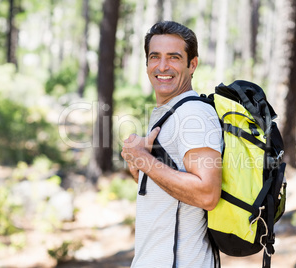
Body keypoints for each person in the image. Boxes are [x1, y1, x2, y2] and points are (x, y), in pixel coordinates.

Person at [121, 21, 223, 268]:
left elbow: (207, 193)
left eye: (174, 57)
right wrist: (141, 169)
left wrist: (145, 160)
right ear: (147, 64)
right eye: (155, 56)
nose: (162, 66)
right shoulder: (170, 111)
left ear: (192, 64)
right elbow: (175, 194)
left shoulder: (193, 115)